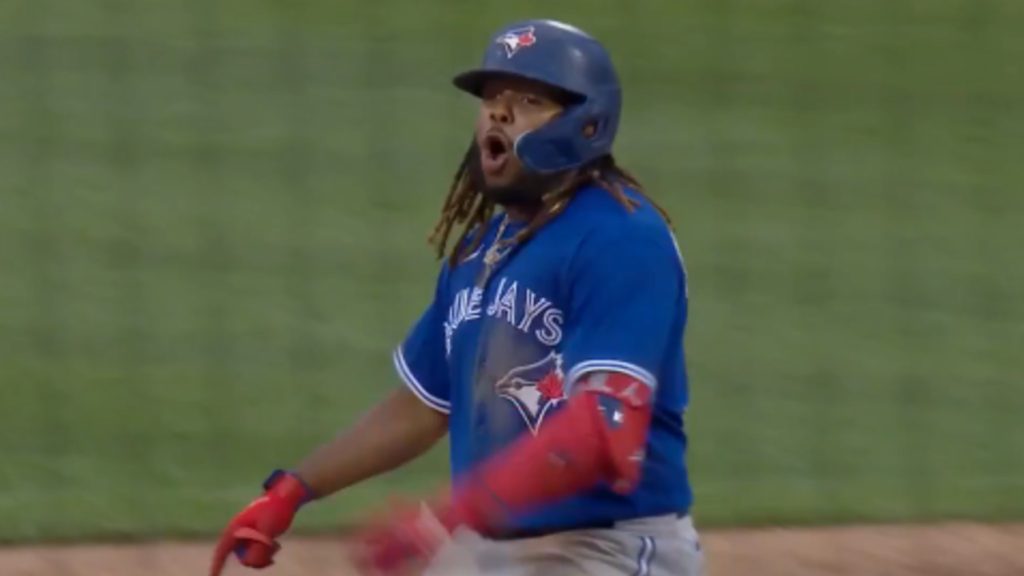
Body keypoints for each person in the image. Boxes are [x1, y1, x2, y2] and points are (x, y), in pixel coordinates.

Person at [209, 18, 702, 576]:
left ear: (586, 122)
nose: (497, 112)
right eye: (491, 99)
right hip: (493, 545)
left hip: (603, 549)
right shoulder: (481, 248)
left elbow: (601, 434)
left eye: (528, 99)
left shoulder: (621, 237)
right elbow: (422, 406)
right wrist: (293, 490)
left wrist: (445, 517)